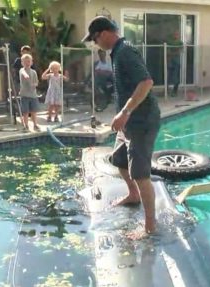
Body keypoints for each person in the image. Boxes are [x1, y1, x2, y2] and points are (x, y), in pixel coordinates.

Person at [82, 16, 161, 239]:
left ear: (106, 33)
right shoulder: (116, 53)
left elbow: (146, 82)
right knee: (119, 160)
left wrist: (125, 112)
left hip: (141, 122)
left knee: (140, 173)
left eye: (96, 39)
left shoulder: (125, 51)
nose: (96, 44)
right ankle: (133, 194)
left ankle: (149, 227)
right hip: (129, 122)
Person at [19, 54, 40, 131]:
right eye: (25, 62)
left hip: (33, 95)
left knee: (34, 111)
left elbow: (36, 82)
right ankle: (26, 125)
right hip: (24, 95)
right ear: (22, 63)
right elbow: (23, 73)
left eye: (28, 61)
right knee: (25, 112)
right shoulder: (21, 70)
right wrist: (26, 76)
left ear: (31, 62)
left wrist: (34, 85)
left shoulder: (34, 72)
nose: (27, 63)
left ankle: (35, 124)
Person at [167, 31, 183, 97]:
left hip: (177, 61)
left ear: (179, 35)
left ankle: (175, 91)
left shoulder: (180, 42)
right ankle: (167, 90)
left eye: (177, 34)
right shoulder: (170, 42)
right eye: (174, 34)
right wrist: (169, 57)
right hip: (170, 61)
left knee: (176, 76)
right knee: (168, 76)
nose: (175, 35)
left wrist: (172, 53)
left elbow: (180, 51)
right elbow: (167, 51)